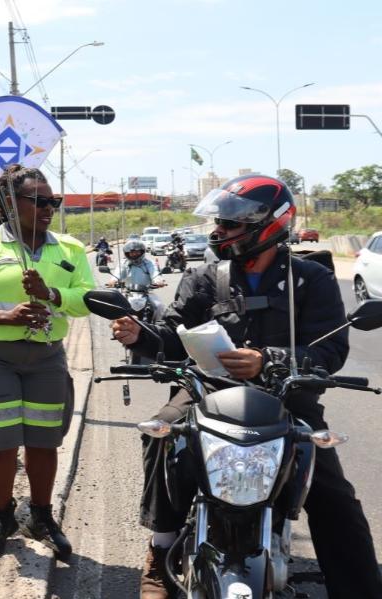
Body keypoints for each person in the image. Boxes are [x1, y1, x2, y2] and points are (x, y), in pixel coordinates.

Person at [111, 174, 382, 598]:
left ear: (268, 225)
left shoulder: (310, 279)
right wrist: (138, 334)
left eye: (231, 224)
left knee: (331, 494)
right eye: (219, 223)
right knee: (161, 435)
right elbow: (172, 332)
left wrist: (267, 360)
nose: (219, 232)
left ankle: (360, 587)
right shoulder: (203, 278)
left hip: (287, 395)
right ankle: (159, 552)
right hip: (208, 392)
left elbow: (330, 351)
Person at [0, 164, 94, 562]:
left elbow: (86, 300)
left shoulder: (70, 249)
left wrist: (53, 295)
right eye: (39, 200)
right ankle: (3, 516)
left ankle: (41, 518)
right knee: (1, 441)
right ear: (10, 203)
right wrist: (3, 317)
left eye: (53, 201)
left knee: (44, 439)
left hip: (46, 355)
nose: (48, 208)